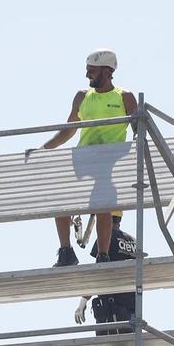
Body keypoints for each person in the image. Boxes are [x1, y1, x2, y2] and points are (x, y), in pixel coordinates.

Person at [39, 50, 133, 266]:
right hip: (83, 158)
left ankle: (103, 255)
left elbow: (139, 130)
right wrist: (44, 149)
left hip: (110, 161)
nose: (87, 74)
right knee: (61, 200)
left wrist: (134, 155)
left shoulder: (124, 97)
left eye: (91, 70)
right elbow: (69, 129)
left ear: (107, 71)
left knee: (103, 205)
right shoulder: (82, 96)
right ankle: (66, 252)